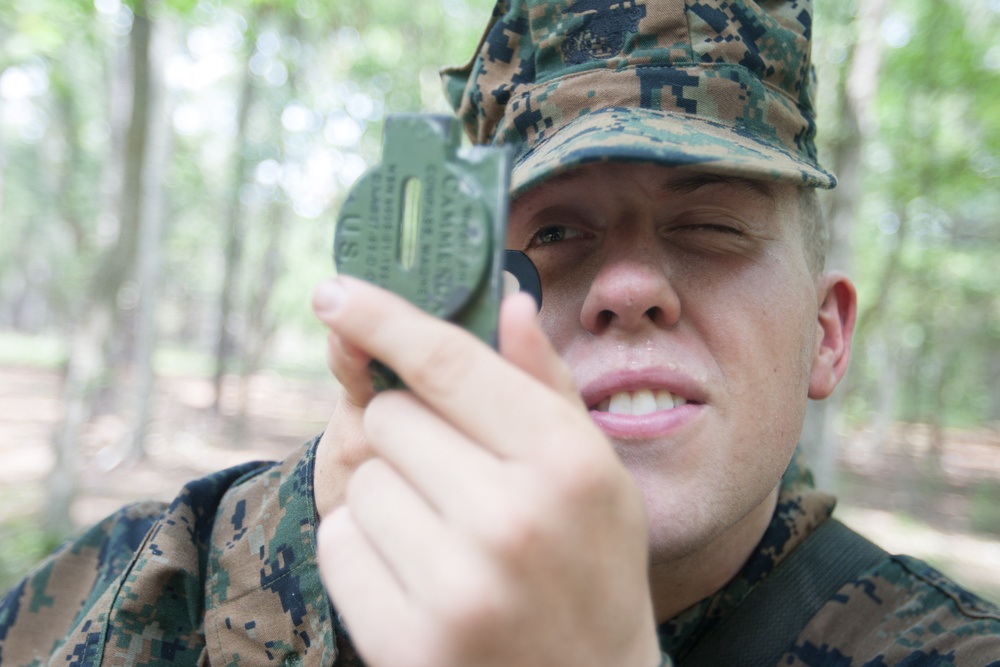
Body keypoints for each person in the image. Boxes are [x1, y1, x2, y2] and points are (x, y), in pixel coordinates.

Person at [2, 0, 998, 665]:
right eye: (554, 232)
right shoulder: (156, 586)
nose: (629, 287)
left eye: (709, 227)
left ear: (826, 335)